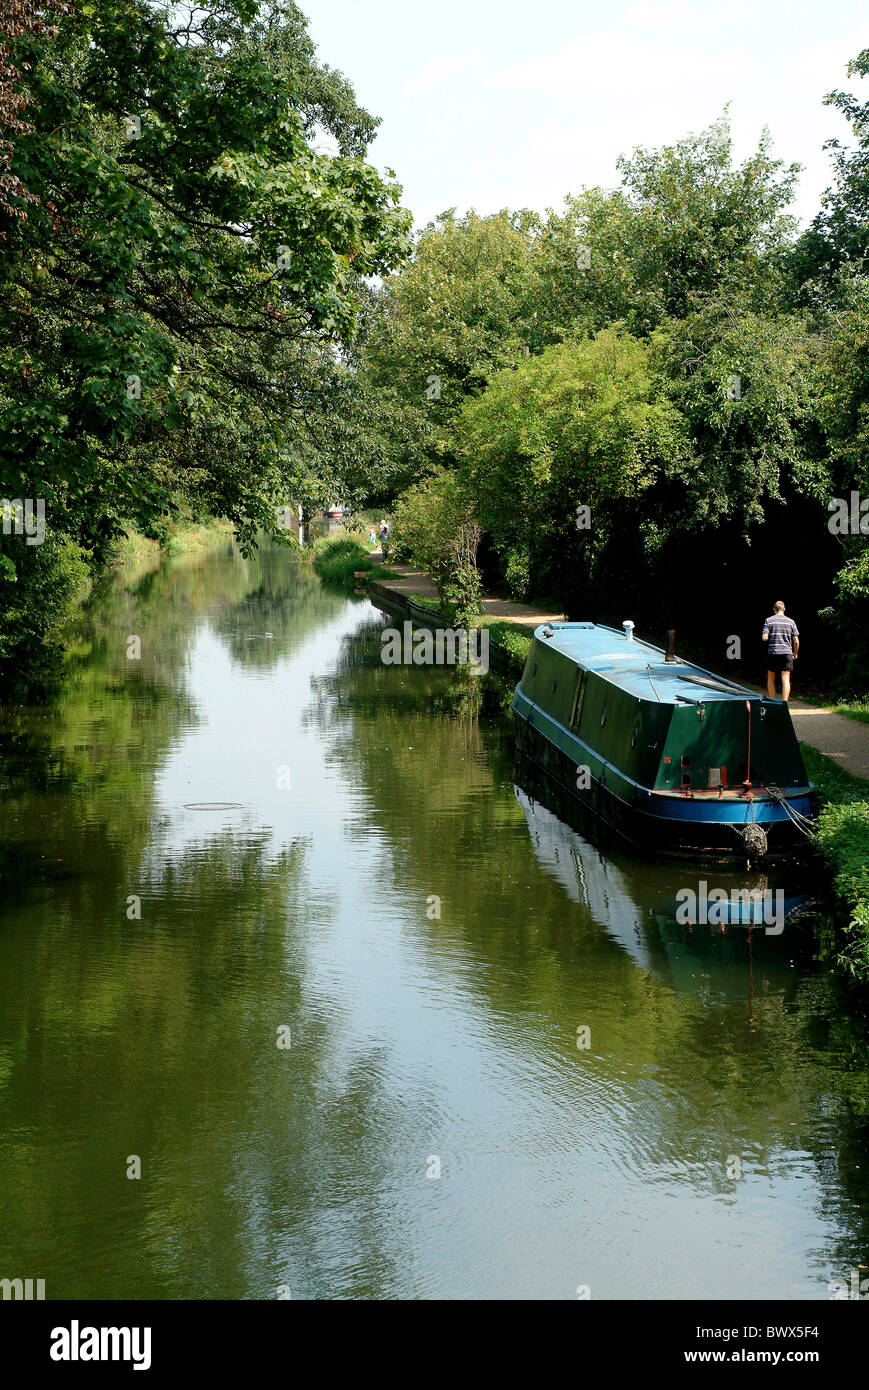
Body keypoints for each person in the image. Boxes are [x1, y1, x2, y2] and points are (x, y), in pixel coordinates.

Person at [762, 600, 799, 701]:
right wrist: (795, 654)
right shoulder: (791, 622)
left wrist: (772, 635)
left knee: (771, 678)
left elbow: (764, 638)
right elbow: (796, 641)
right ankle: (784, 704)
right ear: (784, 609)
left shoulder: (768, 620)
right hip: (787, 653)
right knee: (786, 679)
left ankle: (772, 702)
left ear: (774, 609)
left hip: (773, 652)